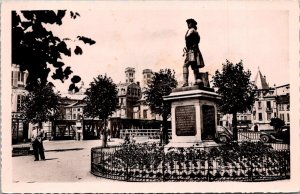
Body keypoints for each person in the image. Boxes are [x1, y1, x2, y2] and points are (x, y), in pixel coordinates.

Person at [183, 18, 205, 87]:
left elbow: (189, 39)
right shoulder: (195, 32)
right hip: (194, 50)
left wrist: (188, 48)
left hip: (191, 51)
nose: (188, 25)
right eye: (187, 23)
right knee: (195, 67)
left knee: (185, 65)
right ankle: (198, 81)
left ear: (192, 24)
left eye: (189, 23)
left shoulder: (191, 31)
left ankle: (186, 83)